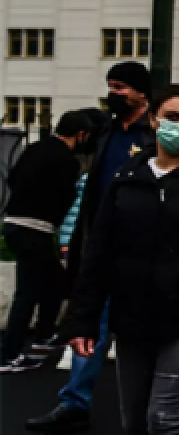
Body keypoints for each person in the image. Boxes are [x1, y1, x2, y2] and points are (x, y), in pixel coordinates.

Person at [63, 84, 179, 434]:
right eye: (173, 117)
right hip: (134, 314)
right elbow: (99, 253)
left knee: (163, 418)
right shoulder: (127, 178)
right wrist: (83, 318)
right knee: (133, 419)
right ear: (154, 120)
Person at [27, 61, 154, 434]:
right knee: (88, 325)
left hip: (141, 251)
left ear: (142, 93)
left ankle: (163, 390)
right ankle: (74, 402)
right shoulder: (105, 133)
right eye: (110, 86)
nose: (114, 94)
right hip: (100, 248)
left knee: (144, 328)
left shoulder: (155, 134)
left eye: (122, 88)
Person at [0, 112, 95, 373]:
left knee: (55, 282)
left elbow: (12, 178)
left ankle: (45, 335)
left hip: (14, 224)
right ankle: (8, 355)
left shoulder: (34, 149)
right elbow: (66, 198)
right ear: (81, 135)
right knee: (27, 293)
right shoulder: (67, 161)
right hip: (37, 229)